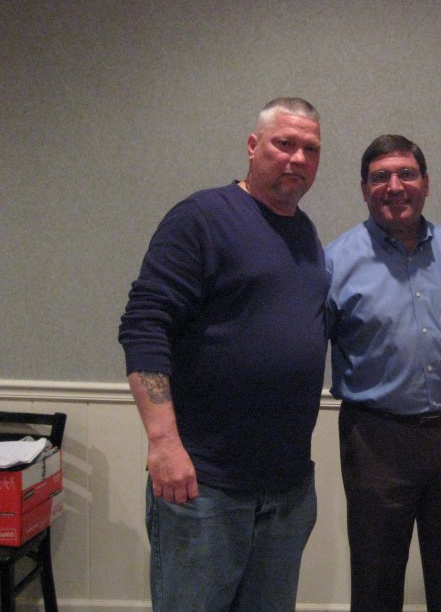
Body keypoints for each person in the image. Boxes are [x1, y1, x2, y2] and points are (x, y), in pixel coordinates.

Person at [118, 97, 326, 612]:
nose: (298, 158)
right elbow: (144, 325)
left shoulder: (305, 233)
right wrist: (164, 443)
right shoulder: (202, 218)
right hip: (205, 488)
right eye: (284, 143)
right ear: (253, 146)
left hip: (287, 490)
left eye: (311, 149)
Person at [326, 134, 441, 611]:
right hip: (375, 440)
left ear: (426, 183)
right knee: (375, 580)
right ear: (364, 189)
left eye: (406, 174)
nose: (394, 186)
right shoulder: (334, 262)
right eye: (381, 177)